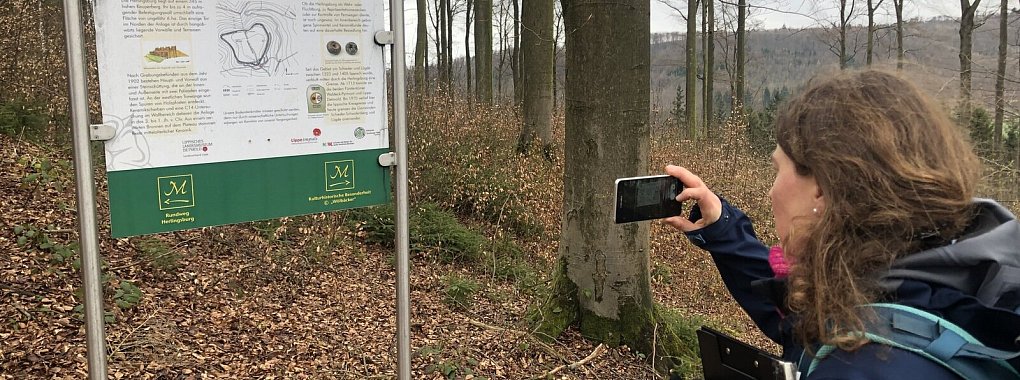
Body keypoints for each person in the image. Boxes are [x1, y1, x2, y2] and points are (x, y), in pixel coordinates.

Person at [663, 70, 1020, 379]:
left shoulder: (861, 366)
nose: (772, 190)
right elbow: (803, 316)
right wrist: (723, 228)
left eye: (777, 170)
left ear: (820, 187)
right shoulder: (943, 273)